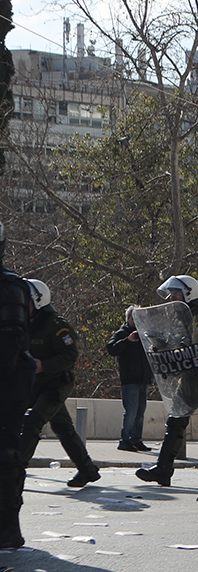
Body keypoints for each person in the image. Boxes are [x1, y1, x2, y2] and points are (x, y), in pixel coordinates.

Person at [136, 275, 198, 487]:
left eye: (176, 293)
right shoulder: (188, 318)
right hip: (195, 380)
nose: (172, 297)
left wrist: (172, 350)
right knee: (189, 422)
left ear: (189, 293)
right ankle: (163, 469)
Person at [17, 280, 101, 488]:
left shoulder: (56, 325)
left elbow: (70, 355)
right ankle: (87, 469)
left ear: (38, 300)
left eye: (23, 300)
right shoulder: (22, 324)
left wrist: (43, 365)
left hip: (55, 384)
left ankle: (15, 470)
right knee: (63, 428)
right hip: (35, 384)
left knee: (32, 421)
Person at [0, 221, 35, 549]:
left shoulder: (11, 286)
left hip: (8, 380)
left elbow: (11, 338)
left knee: (6, 450)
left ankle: (9, 525)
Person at [106, 307, 154, 451]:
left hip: (143, 378)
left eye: (142, 318)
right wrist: (127, 340)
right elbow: (111, 349)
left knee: (140, 412)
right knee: (131, 411)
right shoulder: (123, 333)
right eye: (135, 318)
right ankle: (125, 439)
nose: (139, 321)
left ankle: (136, 439)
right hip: (130, 379)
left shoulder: (145, 334)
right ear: (129, 319)